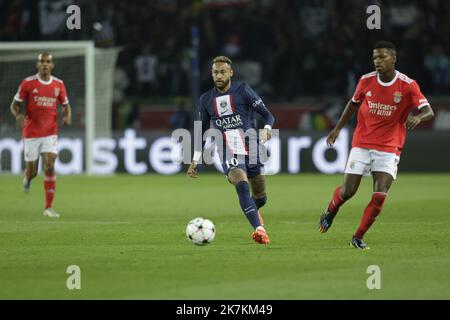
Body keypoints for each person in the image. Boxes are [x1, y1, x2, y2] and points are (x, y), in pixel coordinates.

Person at [318, 41, 434, 249]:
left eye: (382, 57)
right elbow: (352, 104)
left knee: (379, 195)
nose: (377, 61)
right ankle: (331, 209)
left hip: (389, 147)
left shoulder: (408, 85)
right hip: (362, 143)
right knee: (348, 191)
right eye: (375, 58)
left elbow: (429, 111)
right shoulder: (366, 81)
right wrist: (337, 129)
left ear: (393, 58)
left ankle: (358, 237)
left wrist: (418, 117)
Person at [186, 56, 275, 244]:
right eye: (215, 72)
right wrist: (195, 159)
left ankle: (252, 211)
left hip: (252, 146)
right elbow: (201, 130)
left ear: (231, 73)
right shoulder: (205, 99)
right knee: (241, 183)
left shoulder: (243, 90)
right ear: (211, 75)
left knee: (261, 196)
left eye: (222, 72)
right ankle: (259, 230)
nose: (219, 75)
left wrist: (267, 130)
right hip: (226, 148)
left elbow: (268, 115)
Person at [10, 52, 72, 218]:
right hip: (31, 133)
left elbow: (66, 105)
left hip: (50, 132)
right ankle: (28, 178)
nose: (45, 64)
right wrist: (18, 115)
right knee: (33, 172)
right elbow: (14, 105)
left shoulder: (59, 84)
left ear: (52, 65)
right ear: (38, 65)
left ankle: (48, 207)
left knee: (50, 164)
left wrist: (67, 116)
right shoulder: (28, 83)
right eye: (42, 61)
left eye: (48, 61)